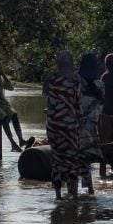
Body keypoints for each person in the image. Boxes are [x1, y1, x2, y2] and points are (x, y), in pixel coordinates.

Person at [43, 50, 83, 199]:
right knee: (72, 159)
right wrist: (79, 121)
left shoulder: (50, 78)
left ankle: (58, 195)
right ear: (71, 62)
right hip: (70, 126)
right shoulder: (75, 79)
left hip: (54, 125)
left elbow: (49, 103)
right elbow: (78, 103)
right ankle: (73, 195)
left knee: (57, 159)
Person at [78, 51, 104, 194]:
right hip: (92, 127)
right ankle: (89, 189)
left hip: (76, 126)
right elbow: (101, 107)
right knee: (86, 159)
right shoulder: (101, 86)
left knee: (75, 158)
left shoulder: (76, 83)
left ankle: (73, 191)